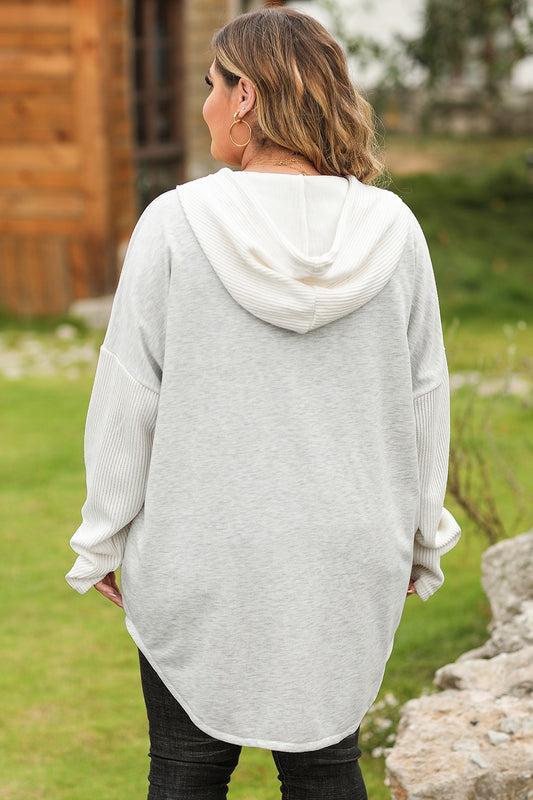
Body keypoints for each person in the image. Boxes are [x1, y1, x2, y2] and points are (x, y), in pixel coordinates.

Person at [66, 7, 460, 799]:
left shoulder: (174, 222)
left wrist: (101, 536)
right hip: (346, 552)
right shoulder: (394, 228)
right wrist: (421, 538)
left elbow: (130, 393)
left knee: (185, 771)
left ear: (245, 95)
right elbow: (423, 397)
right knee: (326, 771)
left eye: (212, 87)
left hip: (202, 547)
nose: (205, 105)